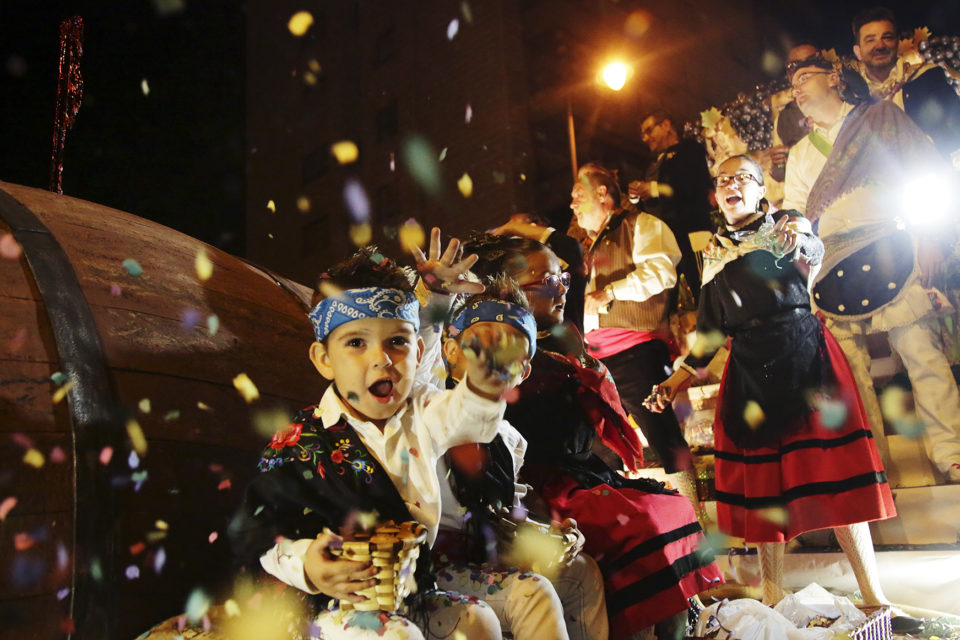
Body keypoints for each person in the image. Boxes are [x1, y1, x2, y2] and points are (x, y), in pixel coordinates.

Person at [227, 243, 534, 640]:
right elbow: (261, 528)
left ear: (418, 349)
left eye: (397, 342)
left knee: (478, 621)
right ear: (323, 359)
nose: (382, 359)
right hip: (324, 606)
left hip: (409, 590)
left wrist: (486, 382)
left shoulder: (422, 412)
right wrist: (308, 565)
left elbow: (466, 418)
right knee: (396, 635)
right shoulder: (300, 440)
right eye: (356, 343)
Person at [646, 155, 897, 607]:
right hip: (751, 378)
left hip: (808, 363)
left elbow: (811, 249)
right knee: (767, 498)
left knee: (837, 483)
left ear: (761, 190)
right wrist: (675, 382)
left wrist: (801, 235)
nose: (731, 185)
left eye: (743, 178)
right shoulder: (714, 254)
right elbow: (708, 334)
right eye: (724, 180)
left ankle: (873, 596)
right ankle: (774, 601)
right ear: (716, 194)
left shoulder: (787, 225)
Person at [465, 232, 724, 640]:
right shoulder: (491, 353)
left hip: (581, 473)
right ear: (505, 290)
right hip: (538, 487)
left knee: (672, 507)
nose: (561, 290)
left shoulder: (560, 338)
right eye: (545, 282)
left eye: (562, 279)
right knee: (642, 523)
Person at [782, 53, 960, 483]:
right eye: (793, 85)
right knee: (850, 376)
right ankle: (871, 468)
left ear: (836, 77)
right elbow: (797, 212)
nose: (798, 90)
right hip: (831, 262)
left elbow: (925, 175)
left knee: (923, 354)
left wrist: (932, 237)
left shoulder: (881, 119)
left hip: (892, 245)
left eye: (806, 77)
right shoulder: (800, 153)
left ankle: (951, 453)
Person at [431, 285, 609, 640]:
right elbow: (417, 365)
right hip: (431, 564)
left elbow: (506, 517)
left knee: (582, 570)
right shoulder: (426, 411)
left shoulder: (509, 439)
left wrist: (548, 536)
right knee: (531, 592)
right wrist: (438, 296)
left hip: (483, 559)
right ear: (450, 352)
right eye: (482, 342)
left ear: (523, 371)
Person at [571, 162, 697, 489]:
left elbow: (661, 272)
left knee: (663, 436)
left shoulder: (642, 224)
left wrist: (610, 291)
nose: (572, 205)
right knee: (602, 446)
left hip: (635, 352)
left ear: (602, 193)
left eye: (578, 195)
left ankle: (696, 520)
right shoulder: (592, 245)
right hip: (597, 360)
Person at [849, 6, 960, 161]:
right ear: (858, 52)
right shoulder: (852, 97)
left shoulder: (928, 78)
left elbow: (956, 132)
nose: (880, 45)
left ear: (897, 43)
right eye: (870, 40)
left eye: (887, 37)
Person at [629, 111, 715, 299]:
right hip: (663, 242)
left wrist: (654, 188)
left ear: (666, 125)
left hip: (692, 233)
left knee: (705, 287)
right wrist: (636, 195)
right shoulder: (650, 162)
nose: (646, 138)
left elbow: (697, 185)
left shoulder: (690, 150)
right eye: (643, 134)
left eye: (649, 130)